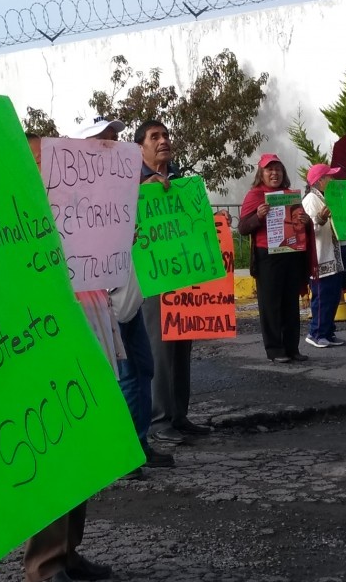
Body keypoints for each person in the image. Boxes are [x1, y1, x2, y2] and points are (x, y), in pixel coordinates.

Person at [25, 131, 121, 582]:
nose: (49, 167)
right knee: (57, 447)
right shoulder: (12, 214)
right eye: (39, 159)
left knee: (83, 444)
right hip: (46, 333)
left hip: (91, 318)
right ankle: (45, 564)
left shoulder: (79, 205)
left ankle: (67, 552)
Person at [71, 119, 175, 471]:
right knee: (124, 375)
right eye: (103, 140)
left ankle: (137, 444)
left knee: (141, 370)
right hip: (103, 301)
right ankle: (125, 453)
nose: (112, 144)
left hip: (128, 297)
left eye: (115, 138)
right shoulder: (80, 190)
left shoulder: (126, 185)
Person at [136, 119, 213, 445]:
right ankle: (159, 419)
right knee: (159, 348)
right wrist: (144, 188)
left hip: (183, 274)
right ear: (141, 145)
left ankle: (179, 414)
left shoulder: (180, 179)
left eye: (166, 135)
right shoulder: (132, 180)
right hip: (152, 277)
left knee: (183, 345)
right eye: (155, 136)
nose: (163, 140)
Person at [239, 153, 311, 362]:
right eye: (270, 169)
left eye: (278, 169)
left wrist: (304, 220)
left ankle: (292, 348)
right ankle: (275, 349)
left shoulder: (290, 194)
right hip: (267, 256)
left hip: (291, 253)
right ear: (261, 174)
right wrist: (258, 216)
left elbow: (301, 224)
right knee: (270, 304)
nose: (274, 173)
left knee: (290, 302)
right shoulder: (255, 195)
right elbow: (243, 227)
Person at [303, 163, 345, 348]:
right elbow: (306, 229)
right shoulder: (311, 200)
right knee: (322, 297)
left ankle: (327, 331)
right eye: (330, 177)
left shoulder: (328, 198)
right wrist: (319, 219)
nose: (333, 180)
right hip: (320, 258)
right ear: (320, 180)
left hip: (333, 256)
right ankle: (316, 332)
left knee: (333, 296)